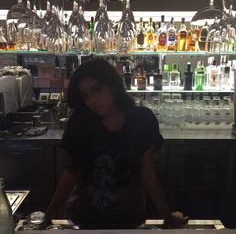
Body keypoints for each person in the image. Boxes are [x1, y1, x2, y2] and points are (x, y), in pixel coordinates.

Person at [46, 58, 188, 229]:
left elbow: (148, 172)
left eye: (97, 90)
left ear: (112, 85)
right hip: (84, 218)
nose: (92, 101)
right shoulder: (80, 122)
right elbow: (72, 172)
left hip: (129, 218)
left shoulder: (142, 119)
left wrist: (167, 215)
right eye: (85, 95)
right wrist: (48, 216)